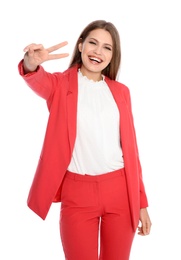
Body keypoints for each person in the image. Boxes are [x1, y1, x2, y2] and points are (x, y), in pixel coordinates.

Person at [18, 19, 152, 260]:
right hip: (78, 194)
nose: (98, 52)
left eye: (107, 47)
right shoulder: (60, 85)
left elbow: (131, 151)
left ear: (113, 55)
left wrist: (141, 202)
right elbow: (37, 80)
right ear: (80, 46)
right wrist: (31, 63)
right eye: (93, 43)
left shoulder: (121, 92)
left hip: (121, 190)